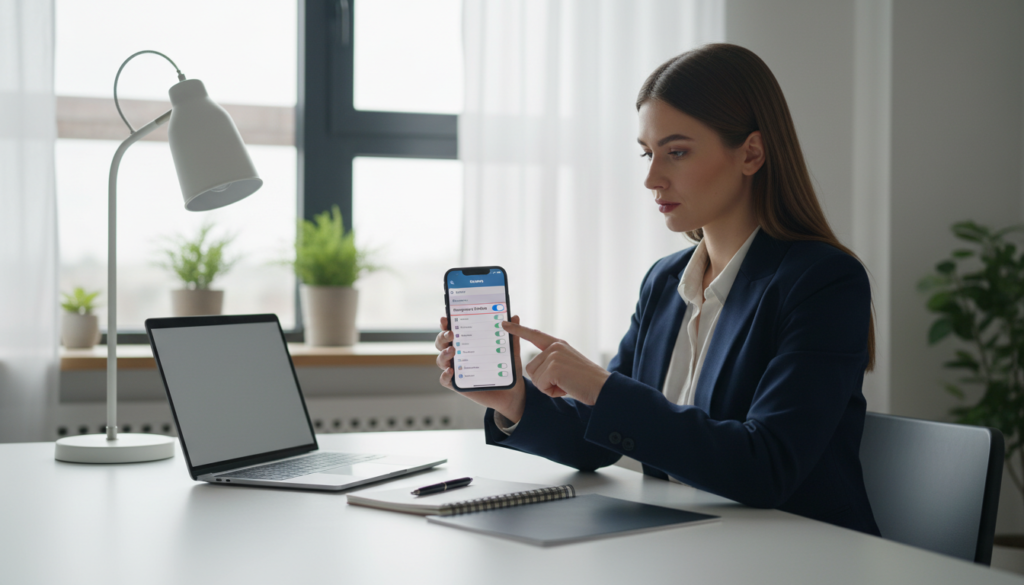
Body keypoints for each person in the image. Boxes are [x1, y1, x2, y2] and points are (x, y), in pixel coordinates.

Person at [434, 43, 880, 535]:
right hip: (688, 545)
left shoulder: (823, 281)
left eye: (677, 152)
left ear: (751, 152)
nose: (650, 177)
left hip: (798, 556)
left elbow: (765, 466)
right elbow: (600, 442)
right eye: (648, 153)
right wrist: (513, 398)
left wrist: (601, 387)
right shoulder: (665, 282)